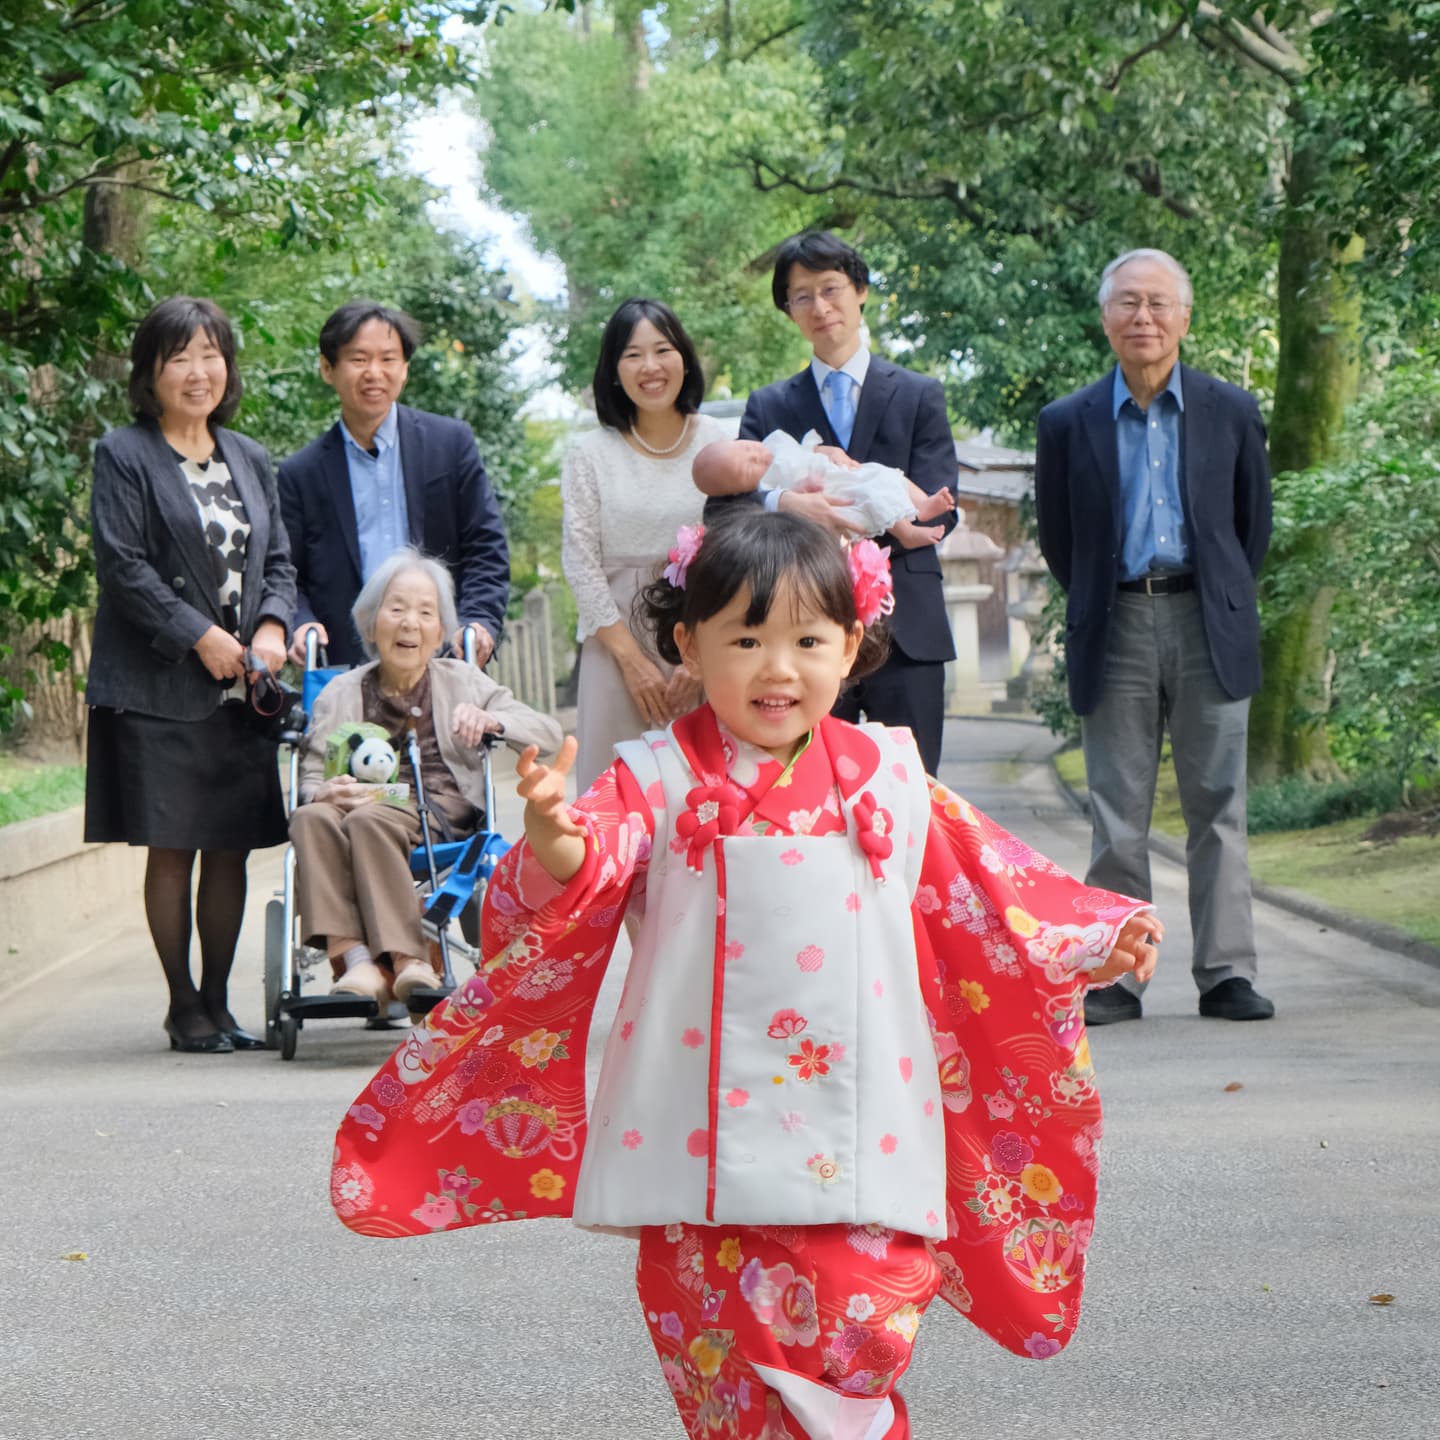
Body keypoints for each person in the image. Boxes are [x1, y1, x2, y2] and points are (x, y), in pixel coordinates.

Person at [328, 510, 1162, 1440]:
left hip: (866, 1140)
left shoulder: (889, 776)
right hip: (697, 1145)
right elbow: (594, 862)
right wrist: (559, 837)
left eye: (808, 640)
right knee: (720, 1357)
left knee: (857, 1332)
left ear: (851, 645)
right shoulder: (654, 775)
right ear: (689, 643)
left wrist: (1094, 935)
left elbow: (993, 888)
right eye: (746, 638)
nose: (778, 667)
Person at [1034, 247, 1275, 1026]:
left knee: (1220, 803)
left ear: (1184, 318)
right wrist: (1109, 597)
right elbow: (1061, 539)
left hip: (1209, 618)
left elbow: (1250, 529)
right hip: (1118, 621)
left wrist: (1220, 596)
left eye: (1159, 304)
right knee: (1116, 808)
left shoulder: (1231, 410)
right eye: (1128, 303)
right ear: (1105, 318)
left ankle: (1227, 972)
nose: (1144, 318)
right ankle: (1116, 974)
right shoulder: (1067, 421)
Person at [85, 297, 296, 1054]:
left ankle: (219, 1001)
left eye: (211, 354)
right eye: (180, 357)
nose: (198, 371)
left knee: (231, 845)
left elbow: (277, 562)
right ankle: (181, 1005)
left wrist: (271, 623)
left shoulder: (248, 456)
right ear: (151, 372)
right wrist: (198, 635)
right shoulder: (125, 454)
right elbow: (124, 568)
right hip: (159, 686)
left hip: (244, 687)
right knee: (174, 846)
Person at [709, 230, 959, 776]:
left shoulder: (919, 394)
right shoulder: (770, 404)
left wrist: (856, 513)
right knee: (803, 791)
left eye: (830, 288)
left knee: (915, 792)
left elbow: (945, 508)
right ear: (789, 311)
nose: (820, 308)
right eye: (802, 297)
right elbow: (728, 508)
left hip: (908, 629)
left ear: (860, 289)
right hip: (796, 633)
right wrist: (786, 504)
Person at [292, 548, 563, 1007]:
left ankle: (408, 958)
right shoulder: (339, 692)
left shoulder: (463, 681)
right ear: (371, 620)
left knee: (368, 819)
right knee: (309, 818)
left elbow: (549, 733)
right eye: (395, 609)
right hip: (359, 810)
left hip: (437, 816)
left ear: (441, 630)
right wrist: (322, 789)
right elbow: (311, 774)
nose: (409, 623)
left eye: (424, 612)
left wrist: (491, 720)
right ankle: (355, 960)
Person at [277, 300, 510, 668]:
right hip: (348, 669)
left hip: (445, 656)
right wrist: (300, 624)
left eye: (388, 359)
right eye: (358, 359)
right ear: (327, 369)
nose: (374, 372)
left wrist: (478, 620)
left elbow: (486, 547)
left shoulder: (449, 445)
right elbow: (288, 574)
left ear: (404, 369)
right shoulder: (301, 473)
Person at [561, 297, 728, 792]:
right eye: (633, 355)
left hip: (705, 640)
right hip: (615, 648)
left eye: (662, 350)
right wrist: (632, 662)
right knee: (614, 795)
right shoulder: (588, 453)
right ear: (614, 370)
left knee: (704, 791)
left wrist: (700, 658)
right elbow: (581, 562)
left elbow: (737, 550)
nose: (650, 367)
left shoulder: (721, 441)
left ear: (684, 358)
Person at [692, 431, 955, 550]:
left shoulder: (774, 442)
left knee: (883, 474)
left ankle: (921, 505)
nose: (755, 456)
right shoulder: (765, 485)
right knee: (871, 495)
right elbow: (721, 513)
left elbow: (803, 448)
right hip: (838, 490)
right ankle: (906, 531)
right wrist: (786, 499)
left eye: (746, 448)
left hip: (844, 471)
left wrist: (822, 450)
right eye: (747, 468)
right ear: (741, 487)